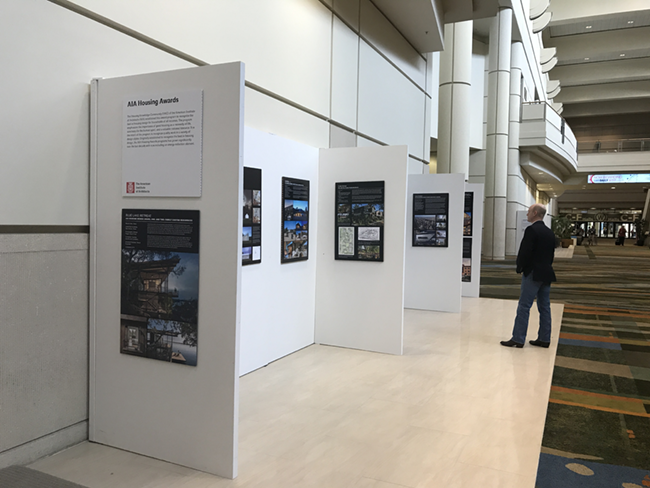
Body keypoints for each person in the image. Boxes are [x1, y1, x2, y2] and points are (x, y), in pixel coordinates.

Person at [501, 204, 557, 348]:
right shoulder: (549, 232)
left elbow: (525, 251)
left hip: (533, 272)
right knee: (544, 306)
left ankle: (518, 338)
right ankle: (544, 338)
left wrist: (520, 267)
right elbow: (551, 255)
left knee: (524, 306)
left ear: (535, 213)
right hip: (546, 272)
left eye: (529, 212)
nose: (527, 214)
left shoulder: (531, 230)